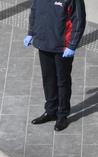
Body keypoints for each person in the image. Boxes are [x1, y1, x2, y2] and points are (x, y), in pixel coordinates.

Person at [25, 0, 86, 132]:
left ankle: (62, 115)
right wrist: (31, 33)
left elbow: (79, 20)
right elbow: (34, 12)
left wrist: (72, 45)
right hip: (43, 43)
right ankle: (51, 111)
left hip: (62, 48)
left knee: (62, 82)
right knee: (48, 80)